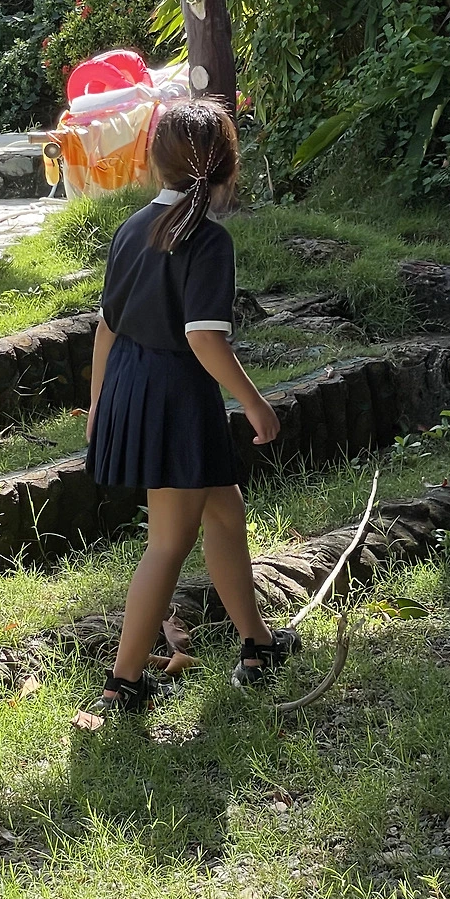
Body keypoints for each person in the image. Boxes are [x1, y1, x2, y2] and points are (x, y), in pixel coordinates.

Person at [84, 98, 299, 716]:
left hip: (134, 385)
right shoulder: (206, 239)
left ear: (155, 164)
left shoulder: (132, 228)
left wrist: (98, 403)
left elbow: (107, 329)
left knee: (224, 513)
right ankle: (124, 683)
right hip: (175, 397)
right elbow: (204, 338)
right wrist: (255, 404)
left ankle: (257, 646)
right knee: (168, 542)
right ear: (228, 168)